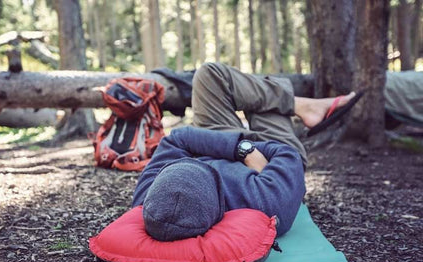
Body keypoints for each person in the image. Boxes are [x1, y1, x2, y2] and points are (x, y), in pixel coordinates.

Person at [131, 62, 358, 242]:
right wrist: (250, 149)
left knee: (210, 74)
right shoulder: (263, 203)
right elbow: (288, 157)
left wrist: (241, 148)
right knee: (264, 107)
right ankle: (306, 107)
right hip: (271, 157)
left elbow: (178, 139)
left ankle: (299, 105)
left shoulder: (146, 201)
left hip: (230, 146)